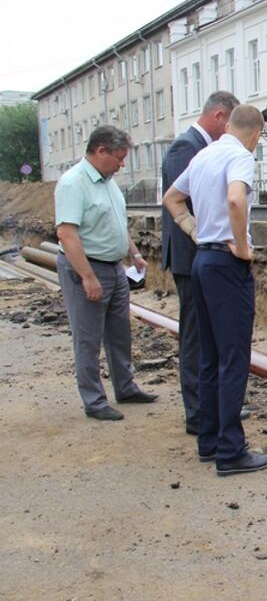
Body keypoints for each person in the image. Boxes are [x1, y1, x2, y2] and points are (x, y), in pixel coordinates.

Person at [162, 105, 267, 476]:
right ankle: (231, 451)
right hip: (227, 265)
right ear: (256, 133)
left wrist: (194, 230)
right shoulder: (240, 156)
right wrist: (241, 246)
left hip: (202, 262)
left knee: (209, 357)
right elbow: (236, 199)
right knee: (233, 358)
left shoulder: (203, 155)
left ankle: (208, 442)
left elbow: (171, 199)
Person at [54, 125, 158, 421]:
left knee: (119, 333)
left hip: (114, 267)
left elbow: (116, 223)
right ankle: (94, 400)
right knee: (88, 338)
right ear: (101, 151)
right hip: (87, 268)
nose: (122, 164)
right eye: (119, 157)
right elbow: (67, 233)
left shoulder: (108, 182)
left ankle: (125, 387)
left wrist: (135, 254)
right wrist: (87, 276)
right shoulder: (74, 183)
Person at [161, 91, 240, 435]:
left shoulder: (202, 147)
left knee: (209, 335)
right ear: (221, 116)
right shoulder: (186, 147)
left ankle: (213, 408)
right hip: (193, 256)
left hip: (203, 256)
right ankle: (198, 413)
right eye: (233, 123)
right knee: (195, 336)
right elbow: (183, 203)